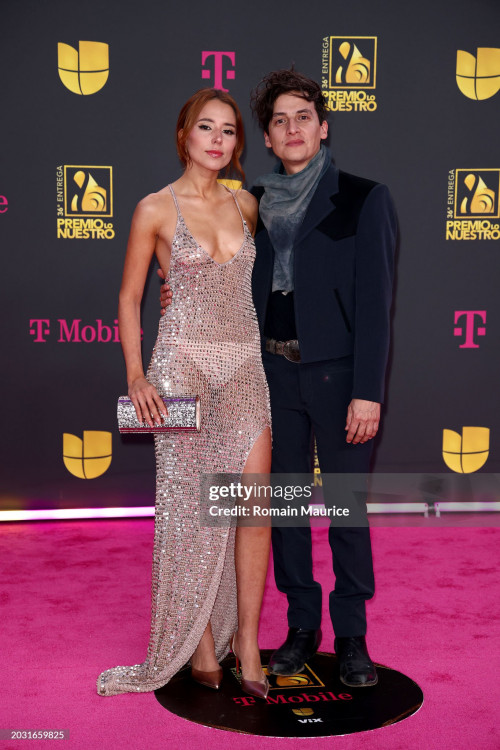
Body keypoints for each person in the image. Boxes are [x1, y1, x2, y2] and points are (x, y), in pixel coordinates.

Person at [161, 69, 397, 688]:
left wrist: (368, 389)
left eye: (304, 117)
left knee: (345, 510)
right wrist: (177, 296)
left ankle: (351, 637)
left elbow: (377, 305)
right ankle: (300, 629)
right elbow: (217, 271)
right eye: (280, 120)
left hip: (342, 379)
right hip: (269, 375)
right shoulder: (254, 203)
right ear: (267, 136)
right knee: (285, 510)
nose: (292, 128)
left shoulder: (364, 198)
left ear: (323, 127)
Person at [97, 88, 272, 698]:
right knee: (191, 512)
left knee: (253, 507)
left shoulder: (248, 205)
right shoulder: (153, 209)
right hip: (182, 370)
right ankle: (199, 644)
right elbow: (128, 298)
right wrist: (137, 376)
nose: (218, 139)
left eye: (228, 131)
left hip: (245, 367)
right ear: (184, 136)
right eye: (206, 128)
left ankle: (246, 641)